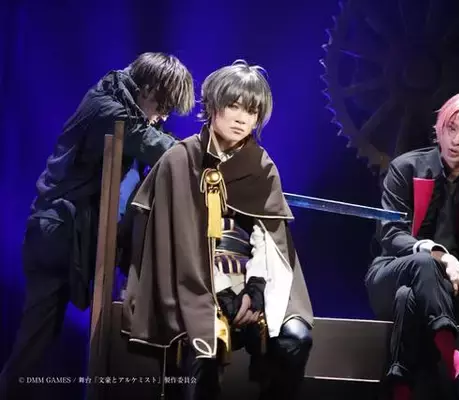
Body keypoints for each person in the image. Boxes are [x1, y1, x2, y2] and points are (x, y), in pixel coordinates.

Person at [0, 52, 195, 399]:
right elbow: (154, 145)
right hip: (57, 233)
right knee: (35, 344)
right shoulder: (108, 109)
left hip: (72, 231)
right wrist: (202, 157)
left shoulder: (126, 106)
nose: (164, 115)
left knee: (40, 341)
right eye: (164, 105)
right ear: (148, 88)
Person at [120, 59, 314, 400]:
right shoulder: (180, 160)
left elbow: (269, 238)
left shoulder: (262, 165)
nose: (242, 118)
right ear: (211, 106)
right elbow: (177, 241)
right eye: (233, 106)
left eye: (251, 111)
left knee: (296, 337)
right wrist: (220, 291)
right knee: (202, 347)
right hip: (190, 280)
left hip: (251, 277)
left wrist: (255, 288)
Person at [365, 91, 459, 399]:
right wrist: (441, 256)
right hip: (390, 275)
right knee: (422, 264)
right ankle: (458, 368)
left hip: (451, 291)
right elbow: (390, 234)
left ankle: (400, 390)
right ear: (439, 128)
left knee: (408, 298)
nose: (455, 140)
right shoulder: (406, 167)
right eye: (450, 128)